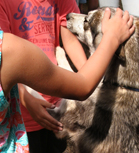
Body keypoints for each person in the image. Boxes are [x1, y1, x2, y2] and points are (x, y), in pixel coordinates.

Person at [0, 8, 134, 152]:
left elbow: (70, 39)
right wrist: (112, 37)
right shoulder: (9, 49)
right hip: (26, 118)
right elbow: (83, 85)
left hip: (55, 103)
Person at [0, 0, 88, 152]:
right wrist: (26, 98)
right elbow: (6, 57)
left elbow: (71, 42)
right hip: (23, 114)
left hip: (58, 105)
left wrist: (86, 78)